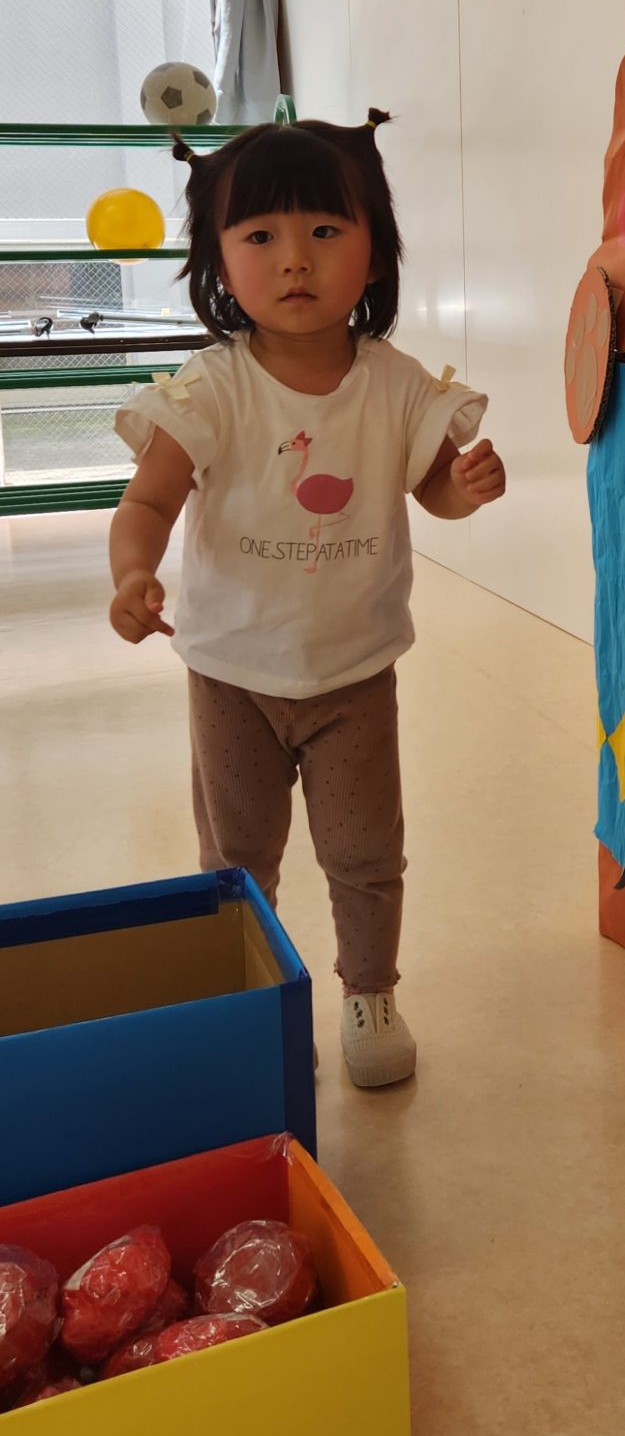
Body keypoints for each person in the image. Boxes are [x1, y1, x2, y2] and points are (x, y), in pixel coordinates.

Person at [107, 109, 505, 1089]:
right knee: (237, 855)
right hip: (231, 673)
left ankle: (370, 993)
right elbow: (148, 501)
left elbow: (432, 488)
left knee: (366, 852)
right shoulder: (210, 389)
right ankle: (246, 998)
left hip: (353, 673)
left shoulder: (396, 386)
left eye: (325, 230)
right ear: (219, 259)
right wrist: (131, 573)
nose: (295, 258)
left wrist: (466, 486)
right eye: (260, 235)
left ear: (375, 250)